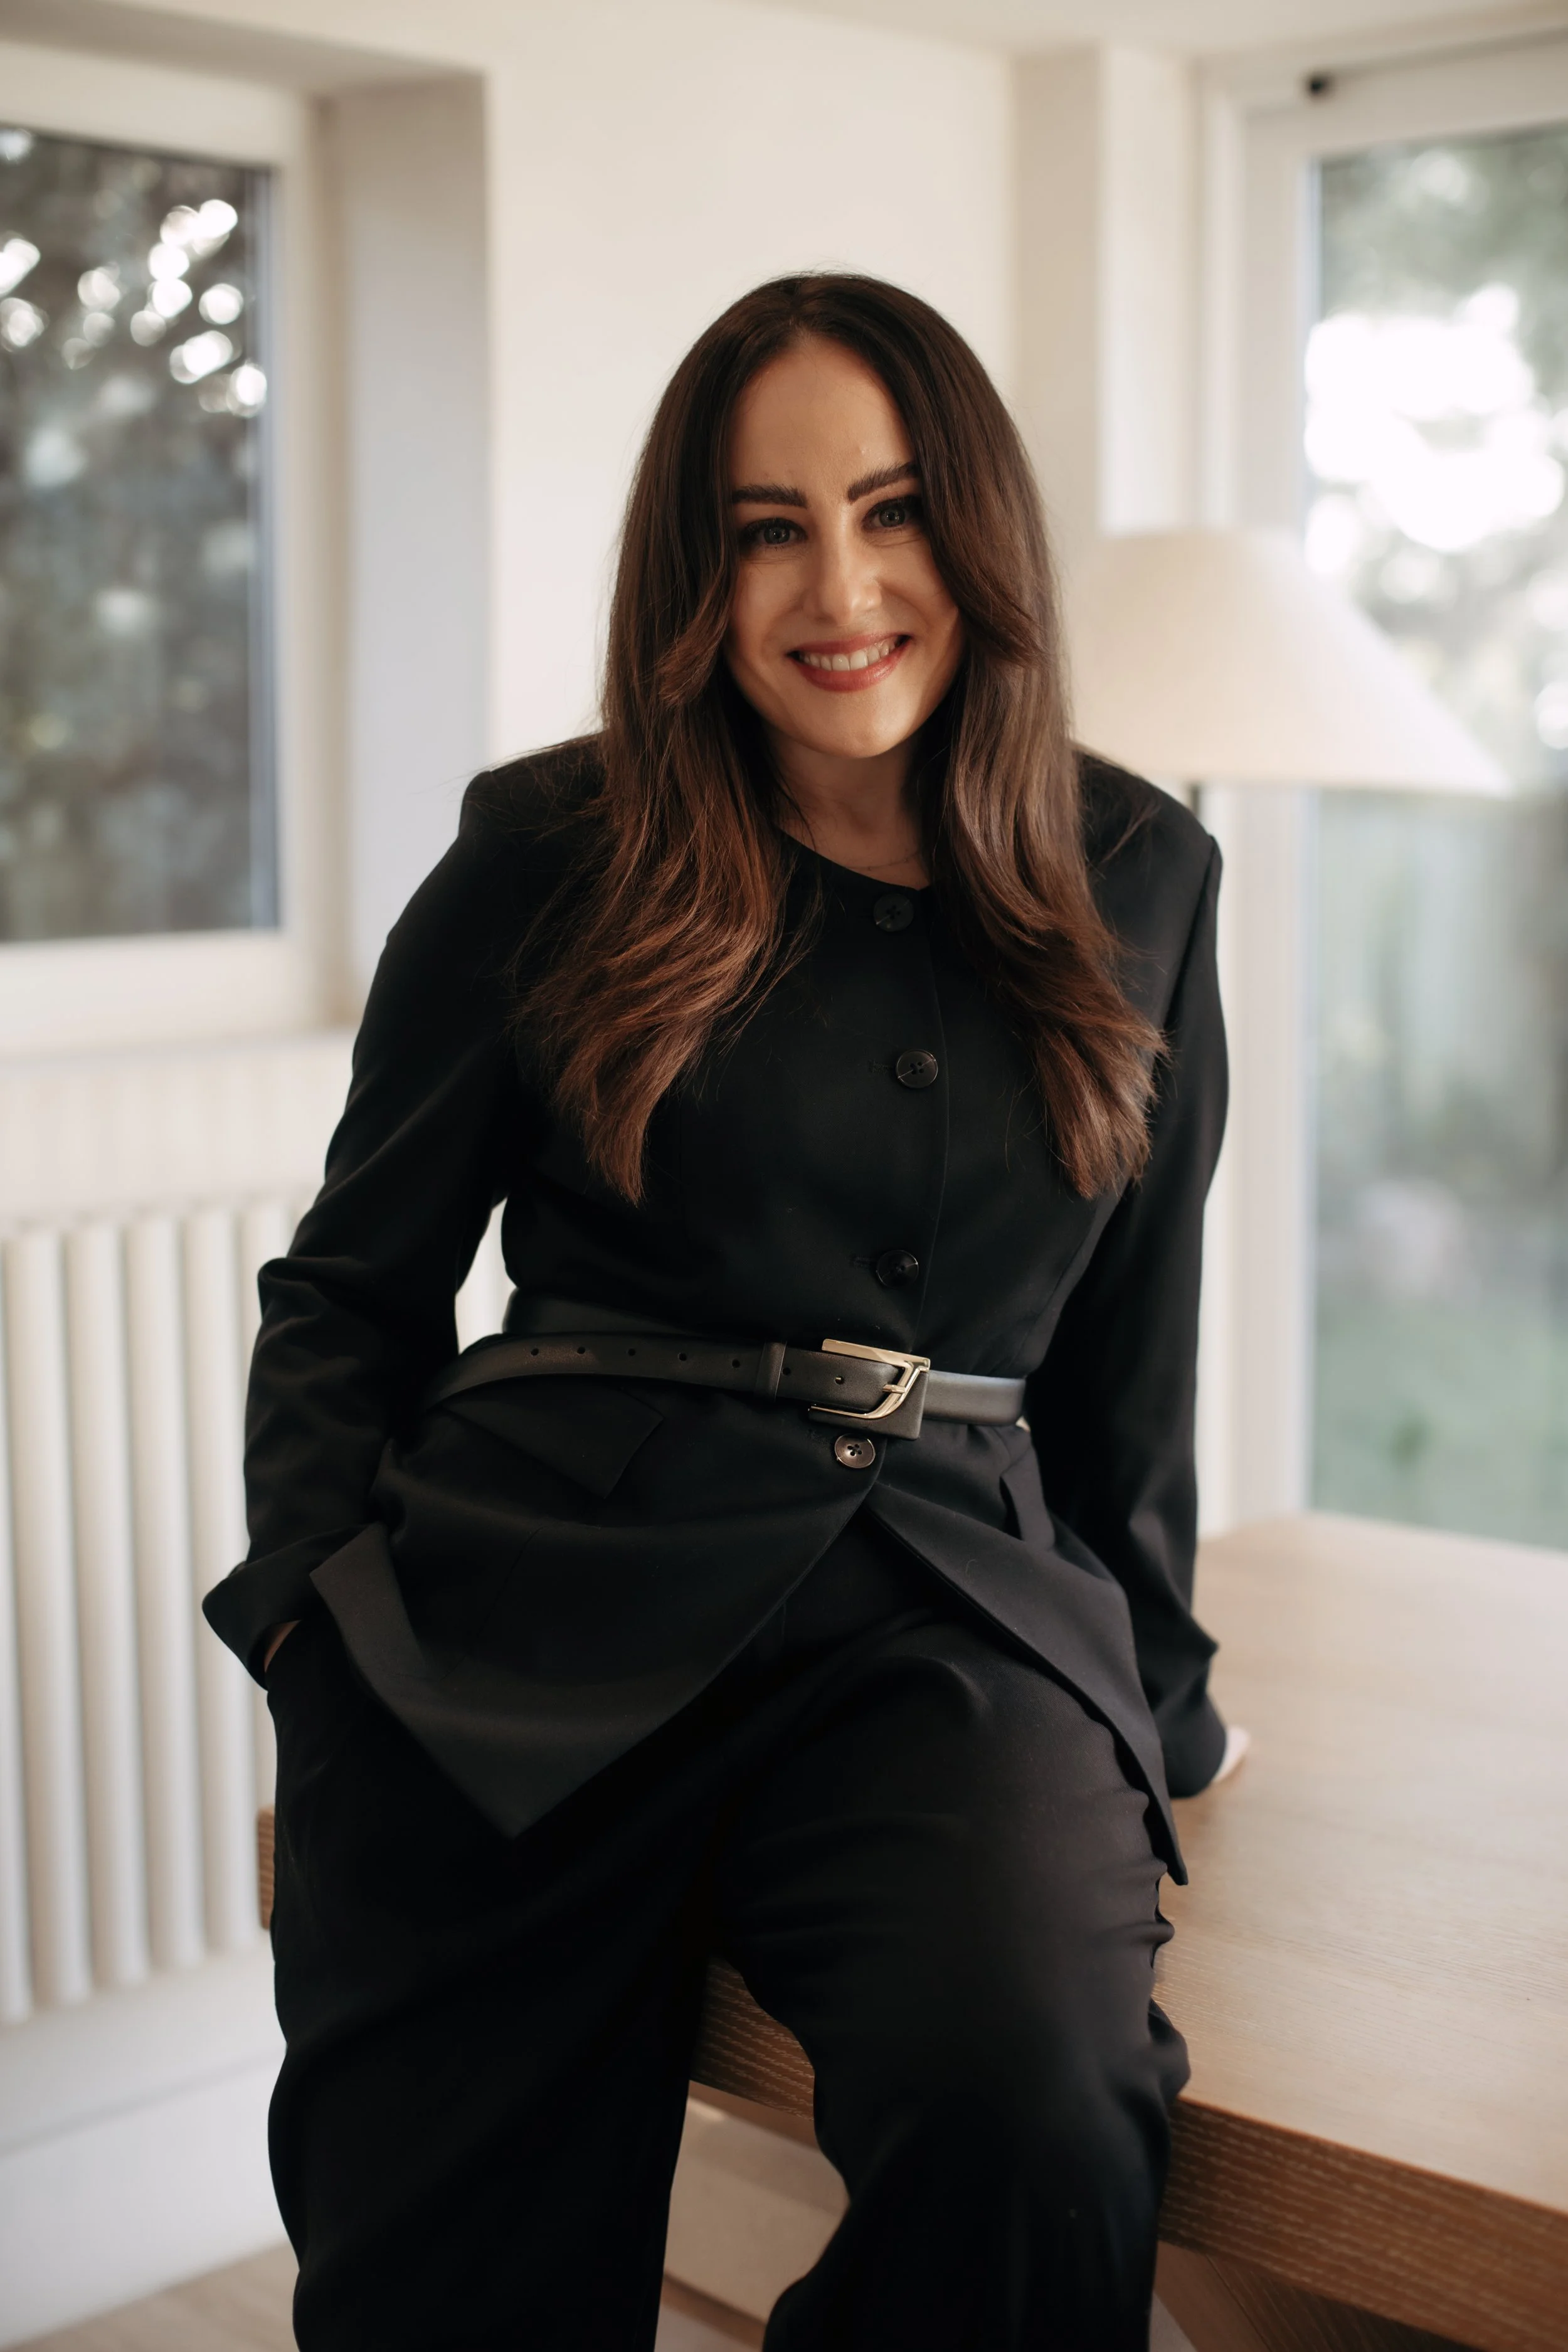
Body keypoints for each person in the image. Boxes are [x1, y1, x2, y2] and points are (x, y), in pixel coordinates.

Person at [205, 272, 1241, 2352]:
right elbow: (353, 1282)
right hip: (524, 1600)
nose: (838, 585)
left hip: (940, 1621)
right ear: (698, 574)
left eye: (891, 508)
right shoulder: (546, 850)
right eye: (768, 527)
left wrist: (1153, 1696)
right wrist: (319, 1617)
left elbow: (1134, 1339)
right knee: (450, 2286)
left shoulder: (1140, 864)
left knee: (1041, 2120)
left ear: (980, 536)